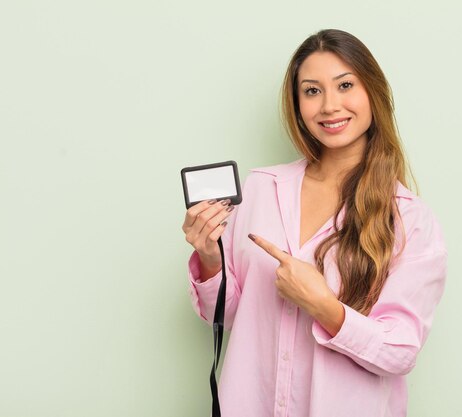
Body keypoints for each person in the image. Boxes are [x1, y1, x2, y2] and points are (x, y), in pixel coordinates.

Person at [182, 29, 447, 417]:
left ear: (372, 92)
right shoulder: (260, 189)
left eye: (345, 85)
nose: (329, 105)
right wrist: (209, 258)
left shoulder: (408, 218)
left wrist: (324, 306)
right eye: (312, 90)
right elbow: (233, 316)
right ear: (297, 104)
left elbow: (401, 351)